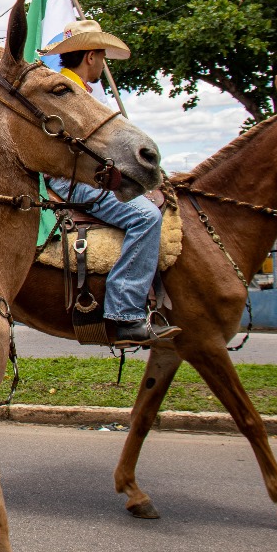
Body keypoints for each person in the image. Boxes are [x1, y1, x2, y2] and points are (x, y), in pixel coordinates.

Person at [40, 20, 180, 346]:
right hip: (73, 179)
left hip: (89, 175)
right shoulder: (67, 91)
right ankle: (125, 313)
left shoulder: (82, 90)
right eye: (102, 56)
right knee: (145, 217)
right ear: (91, 56)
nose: (103, 63)